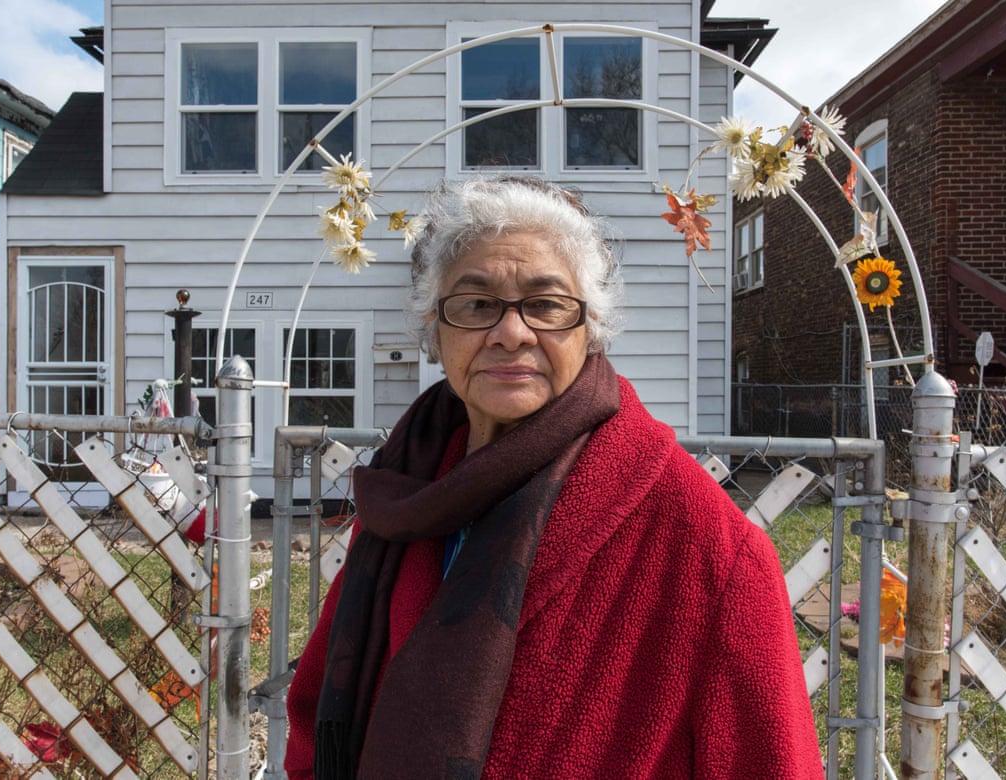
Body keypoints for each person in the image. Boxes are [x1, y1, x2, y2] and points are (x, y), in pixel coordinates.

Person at [285, 177, 824, 778]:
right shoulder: (405, 487)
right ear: (435, 330)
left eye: (545, 305)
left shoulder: (708, 545)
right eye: (476, 304)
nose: (510, 332)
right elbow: (316, 713)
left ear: (591, 327)